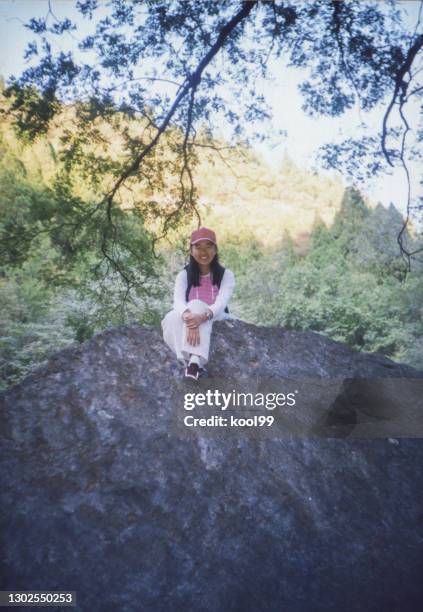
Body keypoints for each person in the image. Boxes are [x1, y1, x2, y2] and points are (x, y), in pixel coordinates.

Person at [161, 226, 235, 380]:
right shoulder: (184, 275)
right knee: (170, 318)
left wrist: (203, 316)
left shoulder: (226, 275)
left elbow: (221, 303)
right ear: (191, 250)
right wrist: (190, 319)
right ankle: (189, 362)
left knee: (195, 303)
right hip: (192, 317)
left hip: (216, 316)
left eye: (208, 246)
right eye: (198, 247)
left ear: (215, 250)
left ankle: (195, 361)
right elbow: (178, 301)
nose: (203, 252)